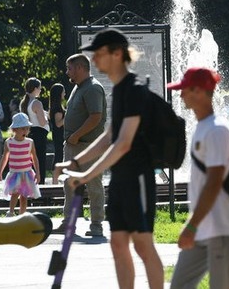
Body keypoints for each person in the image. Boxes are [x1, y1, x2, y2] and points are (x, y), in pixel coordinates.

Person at [54, 28, 164, 289]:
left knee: (143, 246)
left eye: (99, 54)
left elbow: (123, 143)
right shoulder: (120, 89)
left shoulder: (135, 89)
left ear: (116, 54)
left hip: (137, 179)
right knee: (117, 243)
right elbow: (108, 136)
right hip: (122, 179)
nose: (94, 60)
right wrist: (75, 162)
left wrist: (86, 174)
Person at [168, 67, 229, 289]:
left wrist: (191, 225)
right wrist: (195, 223)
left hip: (222, 227)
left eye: (184, 89)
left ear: (200, 91)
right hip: (204, 226)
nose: (181, 94)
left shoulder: (218, 129)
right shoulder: (203, 126)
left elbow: (214, 182)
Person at [53, 53, 107, 237]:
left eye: (69, 68)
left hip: (88, 146)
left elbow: (95, 117)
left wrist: (76, 135)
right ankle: (69, 223)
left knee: (93, 185)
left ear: (80, 68)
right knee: (69, 185)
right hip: (73, 146)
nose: (67, 72)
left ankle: (97, 225)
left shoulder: (92, 88)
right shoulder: (78, 88)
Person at [0, 113, 41, 216]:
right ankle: (11, 212)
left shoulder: (30, 142)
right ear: (15, 129)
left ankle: (22, 215)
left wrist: (37, 173)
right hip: (15, 173)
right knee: (15, 194)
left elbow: (34, 158)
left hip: (27, 174)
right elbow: (5, 158)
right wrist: (0, 172)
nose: (25, 131)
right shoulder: (9, 142)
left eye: (27, 129)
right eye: (23, 129)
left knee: (24, 196)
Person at [21, 77, 49, 184]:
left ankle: (31, 185)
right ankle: (40, 185)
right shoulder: (36, 103)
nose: (40, 90)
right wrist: (46, 117)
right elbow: (42, 122)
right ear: (35, 88)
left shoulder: (24, 102)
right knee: (40, 161)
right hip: (39, 134)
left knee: (32, 161)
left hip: (31, 133)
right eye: (40, 88)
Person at [49, 83, 66, 168]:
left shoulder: (56, 106)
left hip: (58, 134)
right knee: (59, 155)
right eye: (63, 92)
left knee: (59, 154)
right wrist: (67, 116)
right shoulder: (57, 108)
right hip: (59, 134)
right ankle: (56, 173)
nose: (64, 94)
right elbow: (58, 124)